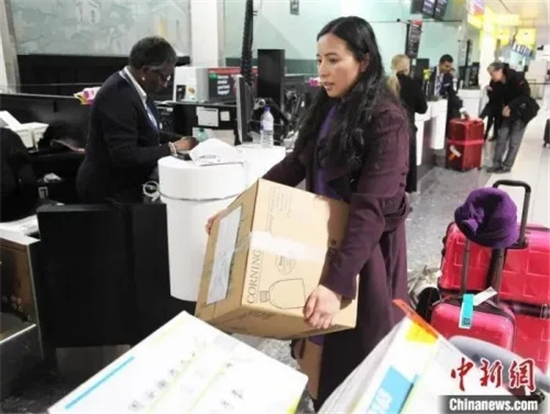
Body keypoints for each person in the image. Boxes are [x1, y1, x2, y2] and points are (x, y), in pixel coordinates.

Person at [207, 16, 410, 410]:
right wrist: (235, 212)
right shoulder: (329, 107)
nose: (323, 71)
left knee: (356, 359)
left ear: (364, 61)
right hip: (324, 243)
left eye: (333, 60)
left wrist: (336, 285)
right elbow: (293, 166)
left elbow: (370, 210)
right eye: (319, 60)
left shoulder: (387, 119)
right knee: (316, 344)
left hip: (363, 256)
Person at [77, 36, 195, 203]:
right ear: (145, 71)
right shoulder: (117, 96)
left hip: (127, 185)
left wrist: (183, 140)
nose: (165, 84)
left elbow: (148, 132)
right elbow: (126, 155)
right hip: (109, 191)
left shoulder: (137, 90)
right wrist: (173, 148)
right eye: (164, 77)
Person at [486, 61, 536, 173]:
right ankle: (496, 164)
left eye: (492, 74)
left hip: (522, 112)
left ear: (500, 71)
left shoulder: (516, 77)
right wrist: (481, 116)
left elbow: (525, 95)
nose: (491, 77)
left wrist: (510, 106)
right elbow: (494, 101)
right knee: (501, 137)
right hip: (508, 113)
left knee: (514, 141)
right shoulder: (495, 83)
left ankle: (507, 166)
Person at [388, 54, 428, 194]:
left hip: (386, 130)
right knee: (405, 164)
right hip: (406, 129)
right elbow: (422, 108)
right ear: (407, 68)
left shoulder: (385, 83)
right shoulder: (412, 84)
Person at [430, 55, 469, 121]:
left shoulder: (448, 77)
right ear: (440, 64)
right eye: (446, 66)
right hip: (428, 104)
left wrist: (462, 109)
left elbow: (452, 94)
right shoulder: (430, 72)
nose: (448, 69)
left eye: (450, 67)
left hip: (439, 106)